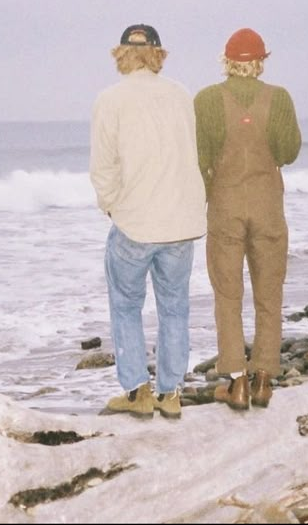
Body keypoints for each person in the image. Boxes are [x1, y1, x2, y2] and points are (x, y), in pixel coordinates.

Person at [89, 23, 206, 420]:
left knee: (126, 306)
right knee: (175, 308)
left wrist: (109, 204)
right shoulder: (181, 95)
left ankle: (138, 391)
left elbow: (104, 165)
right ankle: (170, 394)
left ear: (122, 54)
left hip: (135, 222)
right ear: (158, 54)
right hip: (180, 221)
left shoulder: (110, 99)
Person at [194, 27, 302, 411]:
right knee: (269, 293)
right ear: (260, 62)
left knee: (227, 294)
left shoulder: (206, 100)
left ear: (226, 61)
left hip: (224, 204)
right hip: (267, 205)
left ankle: (236, 382)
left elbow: (200, 157)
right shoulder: (280, 98)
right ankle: (263, 380)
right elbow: (289, 152)